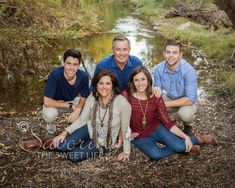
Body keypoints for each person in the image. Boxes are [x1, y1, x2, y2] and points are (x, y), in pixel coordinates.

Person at [122, 66, 217, 160]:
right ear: (132, 82)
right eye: (136, 80)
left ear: (148, 81)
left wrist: (186, 137)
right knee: (156, 155)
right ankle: (185, 148)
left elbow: (167, 122)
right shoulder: (126, 96)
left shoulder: (156, 97)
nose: (140, 83)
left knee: (178, 145)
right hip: (138, 135)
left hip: (155, 127)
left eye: (143, 79)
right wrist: (125, 138)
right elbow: (119, 118)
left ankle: (199, 139)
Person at [51, 69, 131, 162]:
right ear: (96, 85)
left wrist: (126, 151)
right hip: (90, 128)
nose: (104, 87)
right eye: (101, 83)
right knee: (62, 146)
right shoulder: (92, 97)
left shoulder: (122, 103)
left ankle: (88, 145)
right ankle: (81, 142)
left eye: (108, 83)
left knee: (73, 156)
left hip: (105, 139)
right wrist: (64, 133)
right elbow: (82, 120)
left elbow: (126, 129)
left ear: (113, 86)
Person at [154, 39, 198, 134]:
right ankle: (169, 120)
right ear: (164, 53)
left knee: (185, 115)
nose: (171, 55)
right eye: (168, 52)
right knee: (153, 103)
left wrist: (164, 104)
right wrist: (156, 92)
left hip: (188, 101)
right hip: (171, 97)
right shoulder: (158, 69)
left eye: (174, 52)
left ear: (180, 55)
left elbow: (190, 99)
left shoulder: (188, 71)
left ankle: (188, 125)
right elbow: (157, 88)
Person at [42, 49, 90, 134]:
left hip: (71, 101)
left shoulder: (83, 77)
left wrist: (78, 109)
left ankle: (76, 129)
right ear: (63, 63)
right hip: (54, 103)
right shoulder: (54, 75)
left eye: (75, 64)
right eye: (68, 63)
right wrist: (69, 106)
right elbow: (47, 101)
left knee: (88, 106)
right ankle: (50, 131)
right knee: (50, 115)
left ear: (79, 65)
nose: (71, 68)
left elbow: (84, 96)